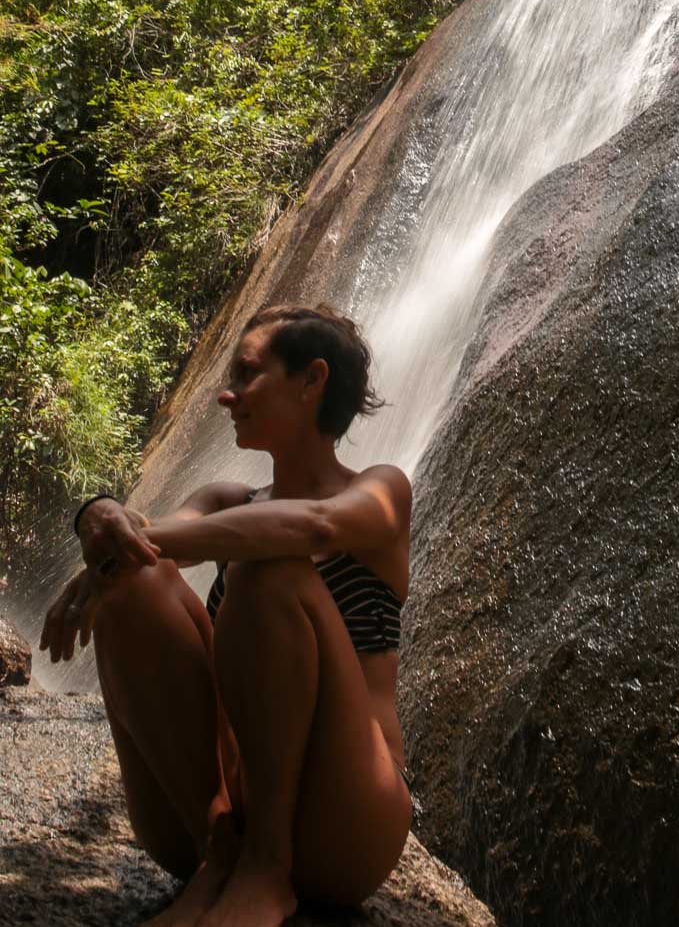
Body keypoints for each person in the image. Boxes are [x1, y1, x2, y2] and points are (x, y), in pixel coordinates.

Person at [39, 303, 413, 927]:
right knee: (137, 586)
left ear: (311, 380)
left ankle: (269, 869)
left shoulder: (381, 488)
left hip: (348, 822)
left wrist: (137, 548)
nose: (225, 393)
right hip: (211, 818)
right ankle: (222, 856)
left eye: (246, 374)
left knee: (268, 567)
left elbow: (315, 526)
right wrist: (99, 517)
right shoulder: (225, 498)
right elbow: (150, 540)